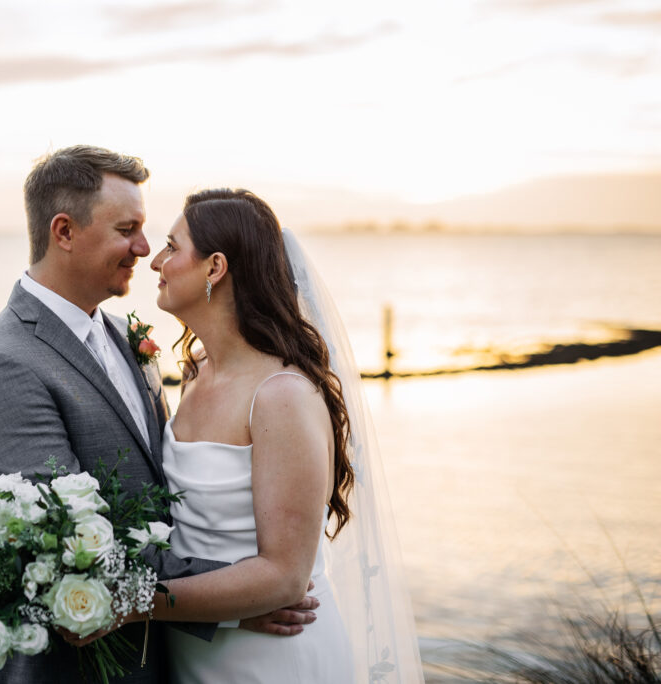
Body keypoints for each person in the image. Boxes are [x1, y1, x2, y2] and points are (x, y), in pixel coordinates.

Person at [0, 149, 317, 684]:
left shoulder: (127, 338)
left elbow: (164, 505)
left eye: (151, 234)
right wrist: (237, 598)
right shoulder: (2, 364)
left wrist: (249, 590)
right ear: (64, 232)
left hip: (161, 659)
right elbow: (63, 553)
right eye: (129, 229)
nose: (145, 251)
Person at [82, 188, 425, 682]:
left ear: (215, 267)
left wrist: (132, 603)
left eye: (172, 247)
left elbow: (285, 577)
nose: (155, 261)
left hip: (272, 656)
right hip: (196, 646)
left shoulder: (280, 394)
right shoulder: (196, 370)